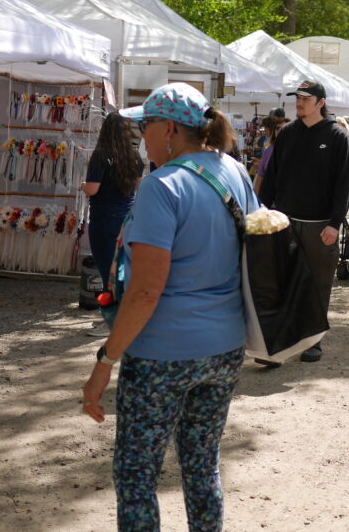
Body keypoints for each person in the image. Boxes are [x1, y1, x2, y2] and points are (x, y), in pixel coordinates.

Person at [80, 82, 255, 532]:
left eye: (146, 126)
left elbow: (144, 291)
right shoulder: (233, 171)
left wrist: (106, 361)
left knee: (137, 473)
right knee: (202, 465)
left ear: (171, 129)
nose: (141, 136)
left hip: (162, 354)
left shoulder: (162, 186)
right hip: (225, 347)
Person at [259, 80, 349, 363]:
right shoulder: (287, 133)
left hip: (320, 226)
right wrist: (263, 212)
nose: (299, 102)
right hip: (284, 222)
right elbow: (272, 177)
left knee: (317, 285)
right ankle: (276, 346)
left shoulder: (337, 136)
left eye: (305, 98)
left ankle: (313, 341)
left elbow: (343, 185)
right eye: (297, 97)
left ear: (320, 102)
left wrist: (334, 224)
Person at [80, 112, 145, 337]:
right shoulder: (133, 155)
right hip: (127, 217)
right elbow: (138, 186)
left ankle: (112, 320)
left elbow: (92, 189)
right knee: (122, 269)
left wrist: (82, 185)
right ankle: (120, 316)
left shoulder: (101, 155)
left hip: (104, 219)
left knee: (107, 270)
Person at [253, 113, 289, 194]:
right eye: (277, 128)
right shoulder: (269, 149)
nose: (280, 131)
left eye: (284, 128)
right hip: (269, 198)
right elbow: (260, 176)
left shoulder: (295, 151)